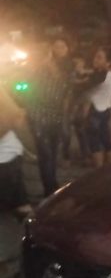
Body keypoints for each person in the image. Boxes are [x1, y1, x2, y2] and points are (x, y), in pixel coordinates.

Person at [25, 38, 72, 197]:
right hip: (39, 116)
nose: (59, 49)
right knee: (46, 155)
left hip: (57, 116)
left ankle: (52, 186)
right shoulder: (37, 68)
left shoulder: (67, 67)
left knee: (52, 153)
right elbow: (28, 89)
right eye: (56, 46)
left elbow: (69, 91)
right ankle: (50, 188)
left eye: (63, 46)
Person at [0, 86, 32, 219]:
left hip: (7, 157)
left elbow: (17, 114)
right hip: (10, 155)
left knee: (20, 204)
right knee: (19, 201)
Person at [85, 47, 111, 167]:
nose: (95, 60)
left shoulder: (101, 76)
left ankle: (98, 171)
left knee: (94, 141)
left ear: (108, 62)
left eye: (100, 57)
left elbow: (85, 86)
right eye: (95, 57)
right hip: (106, 109)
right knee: (106, 138)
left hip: (95, 110)